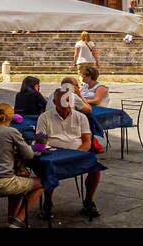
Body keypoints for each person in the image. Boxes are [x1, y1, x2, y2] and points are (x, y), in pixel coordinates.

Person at [35, 88, 101, 218]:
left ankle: (88, 201)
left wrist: (76, 155)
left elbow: (87, 141)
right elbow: (40, 142)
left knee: (95, 167)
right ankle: (47, 203)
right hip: (54, 153)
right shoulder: (44, 118)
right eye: (62, 103)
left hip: (77, 152)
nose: (66, 108)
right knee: (47, 168)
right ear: (54, 102)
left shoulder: (81, 117)